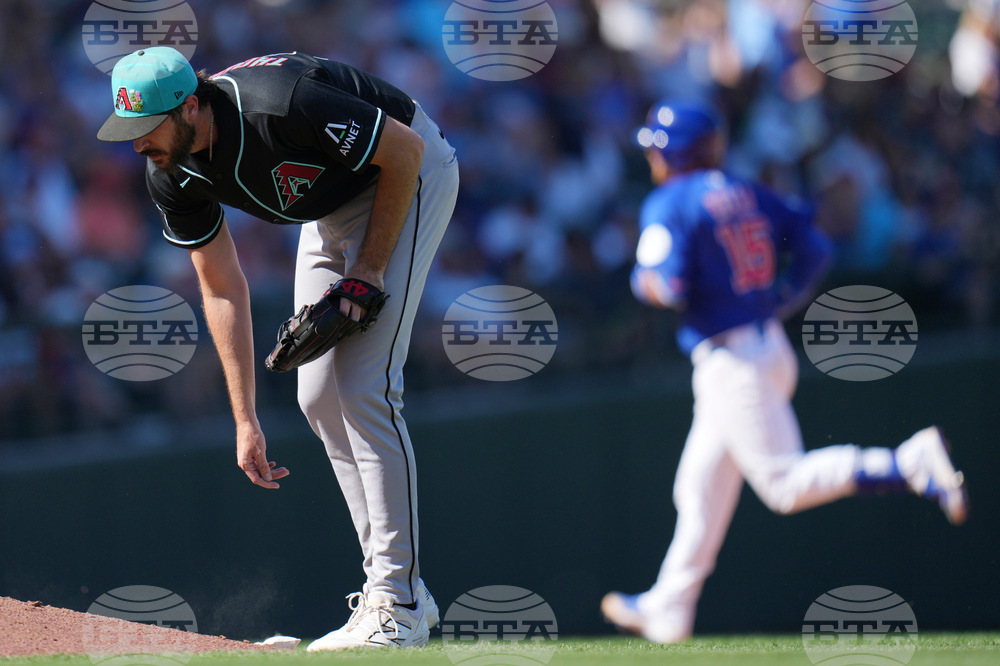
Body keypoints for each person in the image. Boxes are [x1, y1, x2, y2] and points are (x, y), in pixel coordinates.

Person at [97, 47, 459, 650]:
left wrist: (368, 269)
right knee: (317, 397)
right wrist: (244, 419)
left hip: (407, 175)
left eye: (146, 127)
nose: (137, 144)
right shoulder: (170, 170)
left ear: (191, 106)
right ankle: (393, 594)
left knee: (366, 386)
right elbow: (220, 287)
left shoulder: (278, 101)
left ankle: (396, 604)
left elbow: (404, 152)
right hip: (330, 208)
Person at [600, 101, 969, 644]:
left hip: (732, 361)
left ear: (675, 152)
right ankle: (669, 608)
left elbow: (670, 287)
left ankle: (908, 463)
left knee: (783, 485)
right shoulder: (744, 190)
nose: (652, 156)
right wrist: (778, 299)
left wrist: (640, 281)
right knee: (698, 487)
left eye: (658, 146)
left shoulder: (669, 201)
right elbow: (816, 246)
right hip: (763, 345)